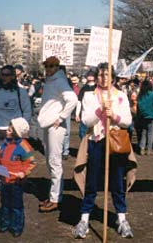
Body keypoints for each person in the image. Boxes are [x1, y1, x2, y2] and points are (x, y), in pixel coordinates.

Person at [73, 63, 136, 239]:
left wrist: (114, 115)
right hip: (96, 141)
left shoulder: (120, 95)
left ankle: (121, 218)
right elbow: (86, 120)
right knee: (91, 182)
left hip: (115, 143)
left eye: (107, 75)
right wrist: (100, 110)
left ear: (113, 77)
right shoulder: (89, 96)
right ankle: (84, 219)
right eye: (100, 75)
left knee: (117, 181)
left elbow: (127, 121)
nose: (103, 78)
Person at [0, 64, 32, 205]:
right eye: (2, 75)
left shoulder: (21, 92)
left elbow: (27, 112)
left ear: (13, 76)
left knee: (14, 161)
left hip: (14, 133)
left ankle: (11, 185)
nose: (4, 78)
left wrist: (19, 130)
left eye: (7, 75)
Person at [37, 56, 77, 212]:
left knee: (54, 161)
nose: (48, 69)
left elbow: (72, 100)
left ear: (57, 67)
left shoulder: (60, 81)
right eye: (47, 66)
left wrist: (60, 117)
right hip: (49, 124)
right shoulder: (51, 81)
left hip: (56, 126)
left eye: (52, 66)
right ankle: (54, 195)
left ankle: (55, 198)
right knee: (50, 160)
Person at [0, 117, 36, 237]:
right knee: (5, 203)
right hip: (4, 180)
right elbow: (0, 159)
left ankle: (17, 226)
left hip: (16, 182)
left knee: (16, 205)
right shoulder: (5, 144)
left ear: (17, 132)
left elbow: (31, 163)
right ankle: (5, 223)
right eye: (8, 127)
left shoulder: (24, 146)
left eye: (10, 129)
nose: (7, 130)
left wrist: (23, 173)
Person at [137, 79, 153, 155]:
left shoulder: (140, 95)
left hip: (143, 116)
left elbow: (138, 106)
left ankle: (142, 148)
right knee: (150, 133)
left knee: (144, 132)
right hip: (151, 115)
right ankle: (149, 149)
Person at [75, 68, 97, 140]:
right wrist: (77, 114)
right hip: (85, 114)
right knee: (82, 133)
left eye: (92, 75)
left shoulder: (98, 88)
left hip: (96, 115)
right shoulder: (83, 88)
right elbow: (79, 101)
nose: (90, 77)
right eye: (89, 75)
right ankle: (84, 148)